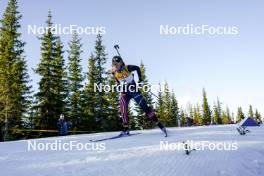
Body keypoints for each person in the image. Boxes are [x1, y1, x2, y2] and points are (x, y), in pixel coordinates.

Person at [111, 55, 167, 137]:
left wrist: (140, 80)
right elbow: (117, 81)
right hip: (124, 92)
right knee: (123, 109)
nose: (116, 65)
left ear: (121, 62)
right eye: (114, 64)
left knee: (145, 108)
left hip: (134, 90)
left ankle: (161, 126)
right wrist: (118, 86)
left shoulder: (127, 68)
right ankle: (125, 129)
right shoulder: (114, 72)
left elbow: (137, 68)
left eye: (118, 63)